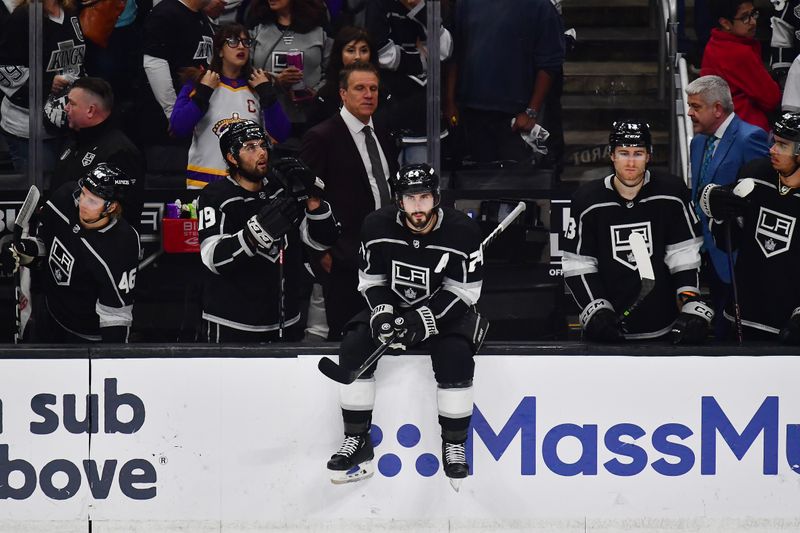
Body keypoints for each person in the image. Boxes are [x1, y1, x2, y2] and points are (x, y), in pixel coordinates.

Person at [325, 163, 486, 486]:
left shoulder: (462, 231)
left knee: (455, 353)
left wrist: (423, 320)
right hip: (395, 305)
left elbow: (466, 291)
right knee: (355, 343)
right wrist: (384, 313)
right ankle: (357, 439)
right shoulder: (376, 226)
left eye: (424, 197)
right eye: (410, 199)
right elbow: (370, 280)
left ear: (436, 198)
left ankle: (454, 444)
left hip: (445, 312)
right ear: (399, 201)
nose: (418, 207)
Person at [562, 120, 711, 343]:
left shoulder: (671, 193)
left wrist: (689, 302)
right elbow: (577, 262)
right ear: (611, 155)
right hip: (606, 334)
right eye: (623, 153)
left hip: (663, 330)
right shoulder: (587, 200)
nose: (631, 162)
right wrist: (597, 311)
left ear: (648, 156)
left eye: (638, 153)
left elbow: (684, 256)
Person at [196, 117, 339, 342]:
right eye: (250, 147)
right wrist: (258, 232)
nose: (261, 152)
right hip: (232, 322)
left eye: (262, 145)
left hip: (285, 320)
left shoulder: (281, 187)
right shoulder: (215, 195)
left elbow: (322, 241)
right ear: (232, 157)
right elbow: (213, 258)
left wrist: (313, 198)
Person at [300, 61, 398, 340]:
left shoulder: (383, 133)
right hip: (344, 259)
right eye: (359, 88)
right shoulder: (321, 137)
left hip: (385, 254)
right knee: (348, 338)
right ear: (343, 94)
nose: (368, 95)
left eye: (373, 89)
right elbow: (306, 199)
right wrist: (320, 254)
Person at [698, 111, 800, 342]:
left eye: (783, 145)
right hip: (742, 317)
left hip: (790, 325)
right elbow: (726, 243)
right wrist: (719, 213)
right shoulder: (755, 175)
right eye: (774, 142)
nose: (772, 150)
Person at [12, 164, 140, 342]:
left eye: (92, 201)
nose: (82, 203)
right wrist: (24, 252)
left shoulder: (122, 244)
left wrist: (112, 360)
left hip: (84, 338)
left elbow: (116, 317)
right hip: (49, 314)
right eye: (83, 194)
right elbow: (45, 244)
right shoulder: (64, 197)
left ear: (111, 208)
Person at [686, 75, 769, 336]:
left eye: (696, 107)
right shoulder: (698, 141)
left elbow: (760, 199)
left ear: (718, 109)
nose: (689, 113)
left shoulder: (750, 138)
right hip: (704, 250)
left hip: (736, 254)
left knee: (733, 330)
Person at [446, 0, 565, 168]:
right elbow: (454, 54)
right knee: (477, 183)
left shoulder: (540, 6)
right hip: (472, 114)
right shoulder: (465, 4)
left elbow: (549, 64)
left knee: (516, 185)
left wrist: (531, 111)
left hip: (516, 117)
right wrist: (450, 101)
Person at [169, 23, 289, 189]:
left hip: (247, 184)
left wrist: (267, 93)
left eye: (246, 42)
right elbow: (178, 127)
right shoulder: (198, 82)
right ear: (219, 51)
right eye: (233, 41)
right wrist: (203, 93)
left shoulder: (258, 85)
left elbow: (281, 134)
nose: (241, 46)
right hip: (204, 181)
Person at [0, 0, 86, 173]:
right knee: (41, 195)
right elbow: (5, 70)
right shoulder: (22, 17)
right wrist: (46, 83)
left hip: (66, 126)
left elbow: (77, 61)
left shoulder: (69, 13)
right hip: (30, 132)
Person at [365, 0, 453, 165]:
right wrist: (424, 59)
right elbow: (383, 55)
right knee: (387, 182)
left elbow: (445, 50)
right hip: (390, 111)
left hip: (423, 117)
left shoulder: (431, 5)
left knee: (420, 185)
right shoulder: (378, 5)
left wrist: (419, 9)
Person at [54, 77, 145, 229]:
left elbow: (125, 215)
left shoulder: (120, 151)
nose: (66, 108)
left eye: (72, 103)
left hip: (96, 248)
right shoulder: (72, 142)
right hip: (64, 241)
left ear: (90, 110)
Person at [248, 0, 331, 141]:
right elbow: (246, 69)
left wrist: (316, 92)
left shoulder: (321, 29)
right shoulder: (257, 27)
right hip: (267, 118)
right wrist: (276, 81)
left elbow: (333, 71)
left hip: (311, 119)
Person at [140, 0, 215, 143]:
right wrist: (173, 113)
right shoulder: (166, 13)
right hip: (167, 128)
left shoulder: (201, 17)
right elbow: (154, 64)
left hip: (196, 114)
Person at [700, 0, 780, 132]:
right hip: (747, 130)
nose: (753, 22)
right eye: (744, 18)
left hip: (723, 127)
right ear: (725, 23)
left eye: (753, 14)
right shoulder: (739, 53)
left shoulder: (713, 43)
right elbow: (771, 97)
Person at [307, 25, 383, 127]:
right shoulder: (325, 95)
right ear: (340, 54)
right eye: (350, 50)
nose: (357, 57)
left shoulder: (382, 93)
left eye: (364, 50)